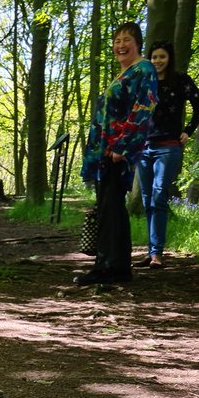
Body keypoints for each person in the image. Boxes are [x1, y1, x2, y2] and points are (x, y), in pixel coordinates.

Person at [76, 22, 157, 287]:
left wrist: (124, 146)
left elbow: (144, 108)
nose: (120, 45)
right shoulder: (124, 74)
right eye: (117, 40)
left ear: (138, 43)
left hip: (116, 152)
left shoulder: (144, 69)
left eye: (126, 40)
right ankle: (117, 267)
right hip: (106, 151)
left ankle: (107, 267)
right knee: (111, 208)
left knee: (110, 208)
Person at [136, 41, 199, 268]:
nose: (157, 61)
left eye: (162, 57)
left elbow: (198, 103)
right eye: (154, 57)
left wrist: (188, 131)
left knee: (158, 196)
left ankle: (157, 254)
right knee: (147, 200)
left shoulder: (181, 81)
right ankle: (150, 251)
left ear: (169, 58)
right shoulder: (145, 81)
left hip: (168, 147)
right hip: (143, 148)